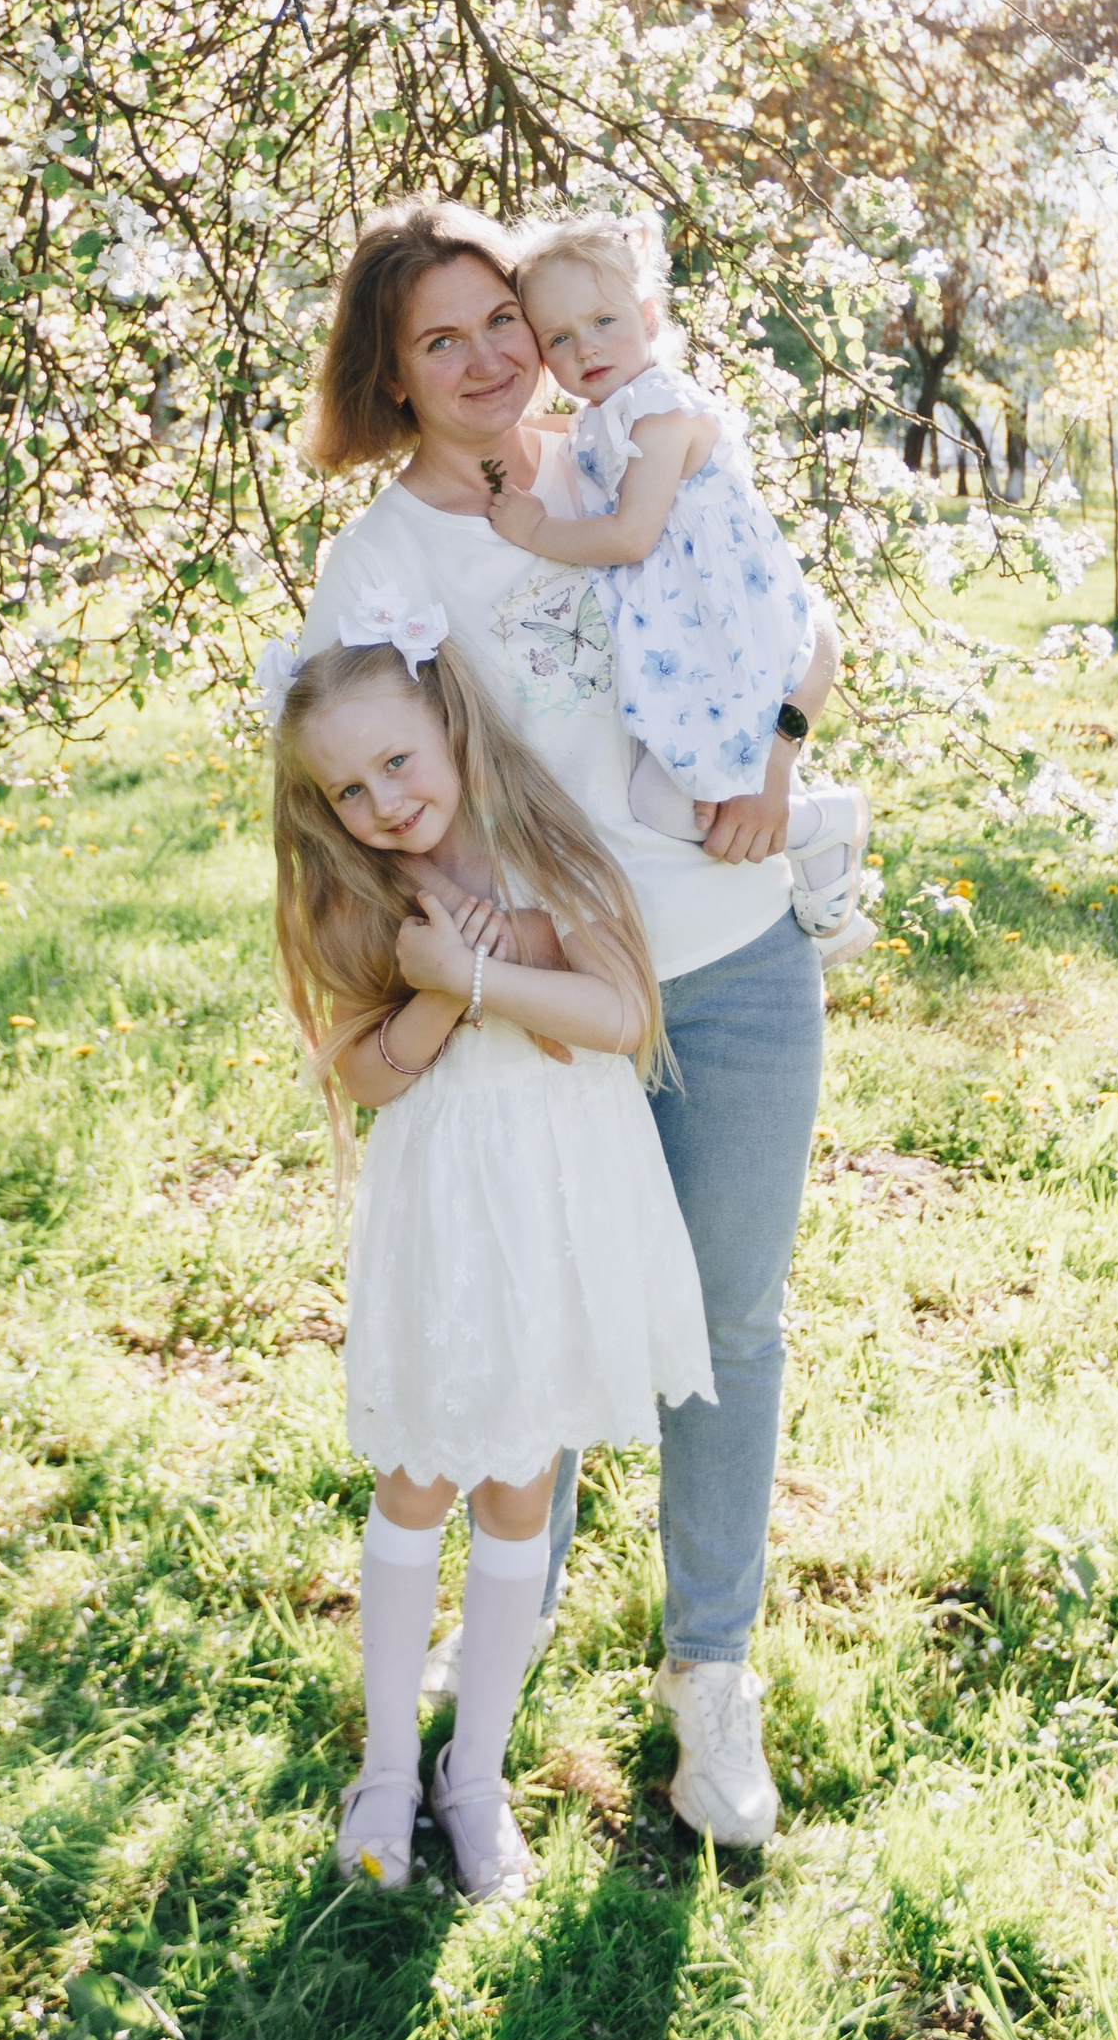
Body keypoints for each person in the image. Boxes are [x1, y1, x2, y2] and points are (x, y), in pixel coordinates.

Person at [292, 199, 835, 1844]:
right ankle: (496, 1654)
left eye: (496, 321)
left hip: (730, 951)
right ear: (390, 376)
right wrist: (481, 945)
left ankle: (711, 1688)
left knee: (728, 1329)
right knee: (559, 1313)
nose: (485, 360)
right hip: (549, 992)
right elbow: (359, 798)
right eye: (436, 340)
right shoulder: (382, 564)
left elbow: (792, 604)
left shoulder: (628, 441)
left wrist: (784, 750)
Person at [269, 607, 711, 1905]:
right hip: (445, 1205)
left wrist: (476, 975)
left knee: (520, 1485)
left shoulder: (538, 845)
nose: (381, 801)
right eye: (347, 789)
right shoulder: (355, 890)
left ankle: (476, 1776)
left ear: (448, 726)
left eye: (398, 763)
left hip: (562, 1199)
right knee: (417, 1477)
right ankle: (387, 1769)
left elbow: (622, 1012)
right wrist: (424, 990)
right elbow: (369, 1078)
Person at [487, 210, 872, 960]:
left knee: (670, 802)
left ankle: (821, 826)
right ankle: (817, 872)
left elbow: (631, 533)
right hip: (692, 630)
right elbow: (579, 444)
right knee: (679, 798)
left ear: (650, 317)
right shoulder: (606, 414)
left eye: (603, 320)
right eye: (557, 338)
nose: (584, 347)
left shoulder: (660, 408)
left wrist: (537, 532)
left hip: (727, 622)